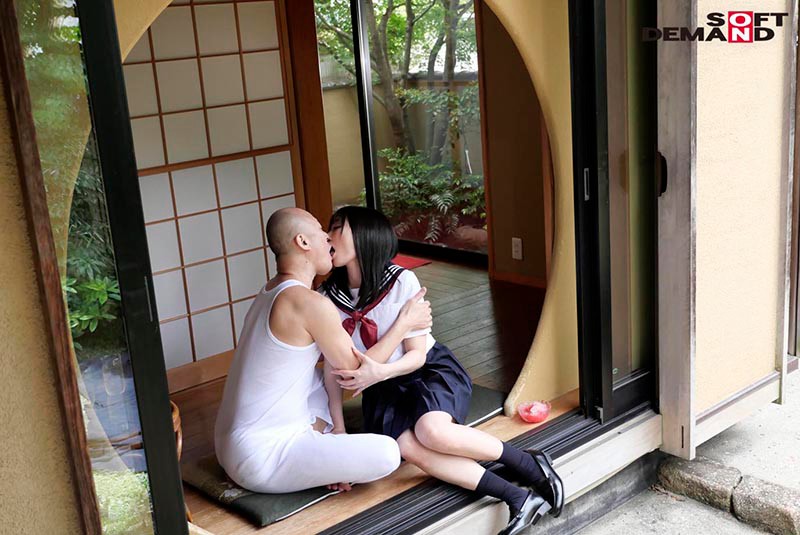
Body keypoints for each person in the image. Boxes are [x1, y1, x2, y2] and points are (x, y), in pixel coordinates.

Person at [321, 206, 564, 535]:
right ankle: (519, 498)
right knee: (408, 447)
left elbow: (416, 356)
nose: (328, 237)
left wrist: (378, 372)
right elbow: (331, 370)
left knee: (431, 432)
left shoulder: (401, 281)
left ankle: (528, 463)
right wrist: (338, 429)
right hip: (383, 390)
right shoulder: (325, 299)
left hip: (426, 372)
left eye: (337, 228)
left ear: (364, 235)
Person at [214, 207, 432, 493]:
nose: (328, 239)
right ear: (303, 242)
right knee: (388, 453)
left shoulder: (269, 291)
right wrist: (404, 323)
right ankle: (322, 456)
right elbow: (356, 372)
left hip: (226, 443)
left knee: (318, 381)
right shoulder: (312, 303)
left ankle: (324, 451)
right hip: (262, 457)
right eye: (321, 231)